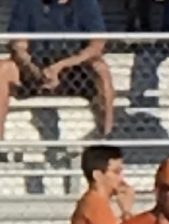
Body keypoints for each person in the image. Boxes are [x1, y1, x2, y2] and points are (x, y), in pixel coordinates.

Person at [0, 0, 116, 138]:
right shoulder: (26, 3)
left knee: (101, 69)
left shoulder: (86, 4)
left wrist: (60, 66)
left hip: (74, 70)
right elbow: (18, 46)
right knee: (4, 68)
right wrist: (34, 69)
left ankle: (106, 138)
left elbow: (97, 46)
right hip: (33, 68)